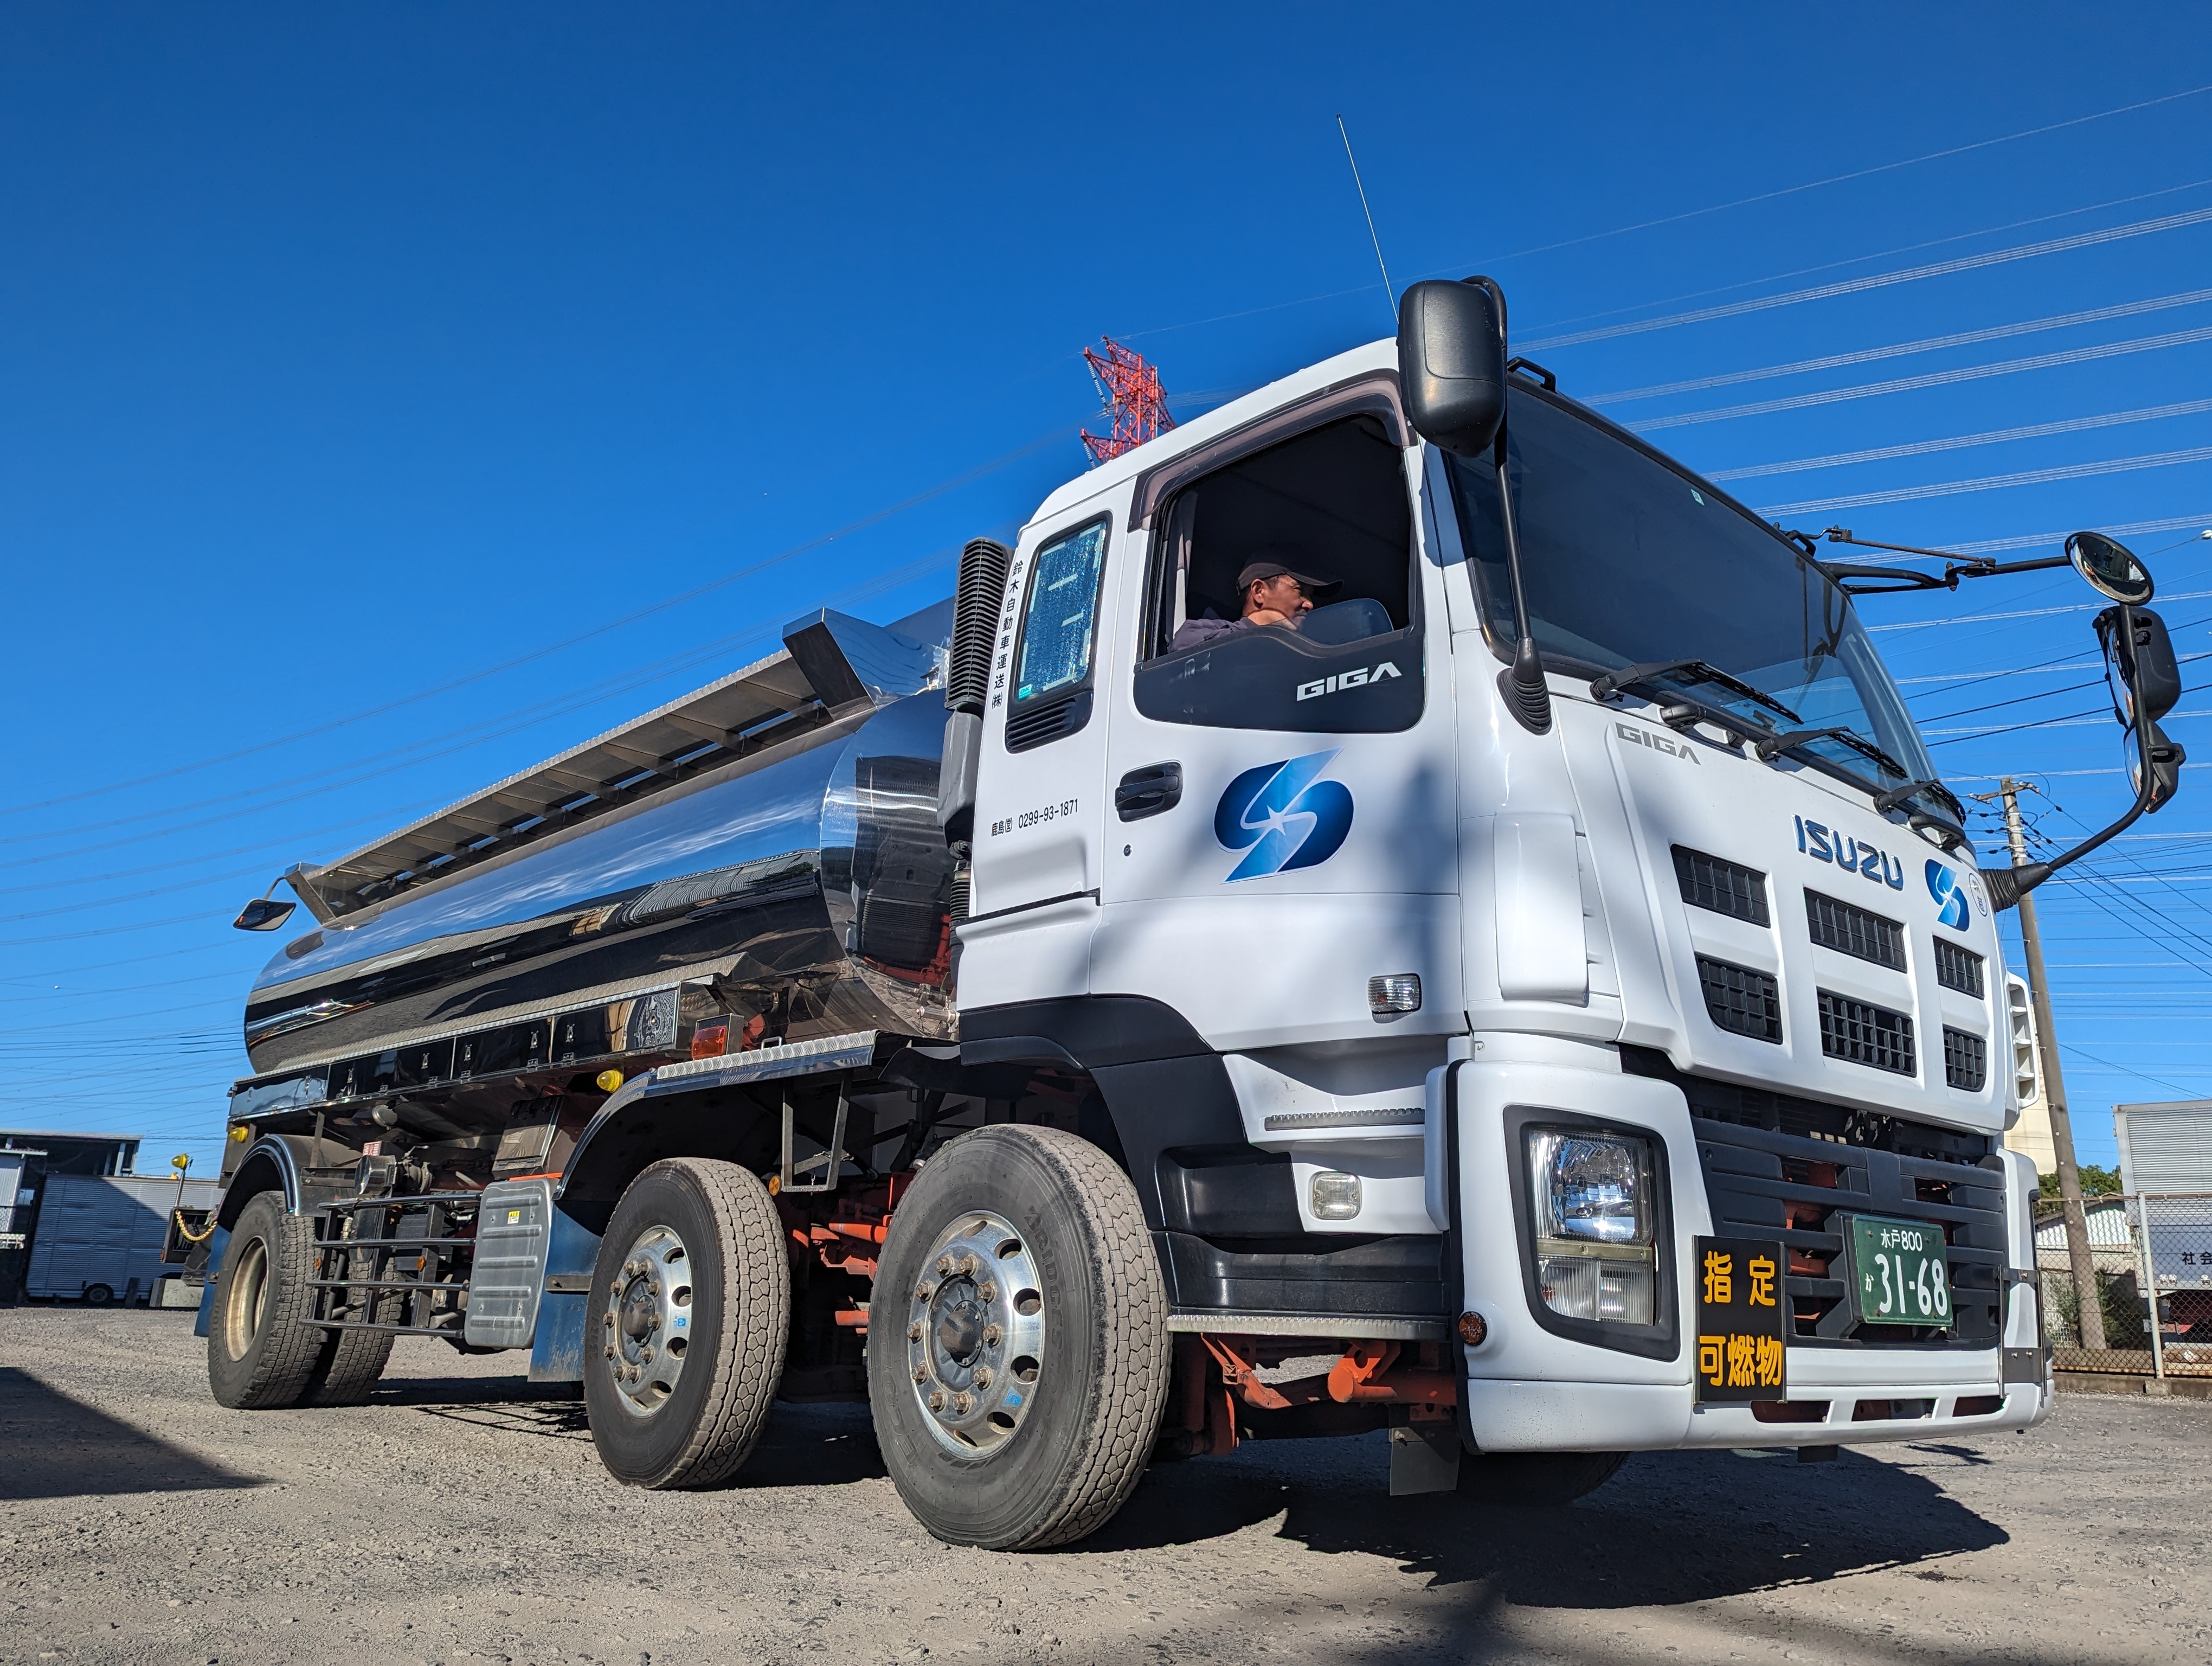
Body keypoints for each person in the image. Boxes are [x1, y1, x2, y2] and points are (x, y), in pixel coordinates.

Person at [1167, 556, 1341, 655]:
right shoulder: (1206, 633)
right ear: (1259, 591)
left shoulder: (1310, 652)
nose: (1310, 604)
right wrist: (1266, 636)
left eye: (1310, 595)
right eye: (1299, 590)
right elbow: (1183, 647)